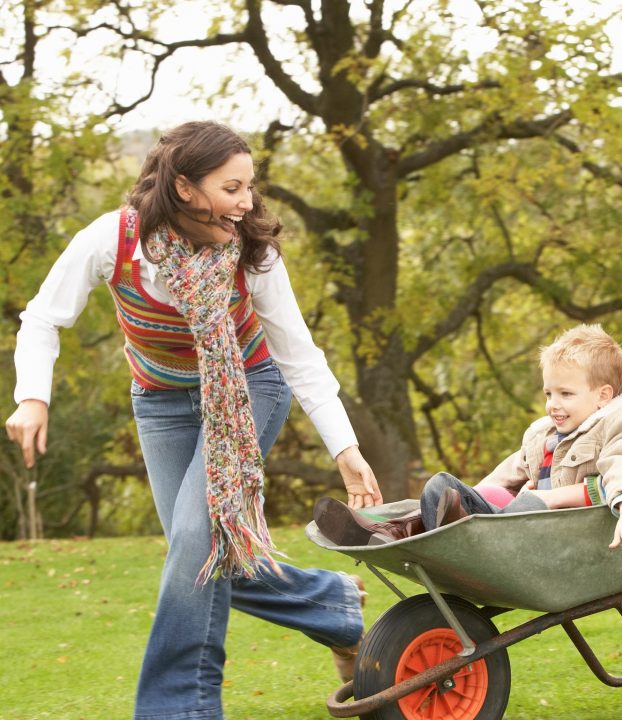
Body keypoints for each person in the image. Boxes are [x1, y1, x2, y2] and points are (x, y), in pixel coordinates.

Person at [3, 121, 384, 720]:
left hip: (249, 390)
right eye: (232, 188)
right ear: (184, 187)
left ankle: (178, 709)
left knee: (192, 545)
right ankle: (330, 603)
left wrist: (345, 448)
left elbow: (300, 358)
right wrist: (34, 396)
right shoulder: (114, 239)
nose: (247, 201)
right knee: (200, 551)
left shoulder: (252, 252)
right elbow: (44, 318)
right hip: (159, 402)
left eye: (249, 186)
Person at [315, 323, 622, 562]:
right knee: (441, 486)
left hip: (563, 537)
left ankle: (413, 533)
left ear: (603, 395)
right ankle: (391, 531)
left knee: (527, 505)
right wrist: (470, 497)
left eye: (566, 394)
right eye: (549, 393)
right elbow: (504, 475)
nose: (553, 403)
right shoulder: (543, 433)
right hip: (516, 525)